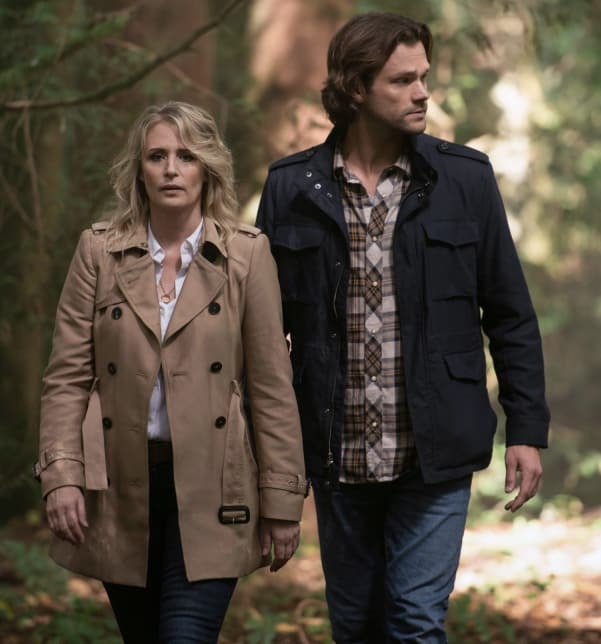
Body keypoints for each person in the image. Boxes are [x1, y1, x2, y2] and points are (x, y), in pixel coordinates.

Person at [256, 12, 550, 643]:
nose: (422, 93)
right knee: (355, 626)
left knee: (415, 622)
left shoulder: (465, 178)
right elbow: (261, 336)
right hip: (336, 452)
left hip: (434, 451)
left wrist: (526, 430)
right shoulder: (290, 187)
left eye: (424, 77)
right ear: (356, 88)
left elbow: (509, 312)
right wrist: (267, 457)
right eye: (402, 81)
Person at [36, 101, 308, 643]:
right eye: (156, 156)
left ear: (208, 167)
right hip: (120, 490)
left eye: (186, 156)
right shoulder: (99, 252)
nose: (170, 169)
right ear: (138, 169)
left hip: (215, 489)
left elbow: (271, 387)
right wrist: (61, 476)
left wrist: (282, 500)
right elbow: (67, 378)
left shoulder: (246, 256)